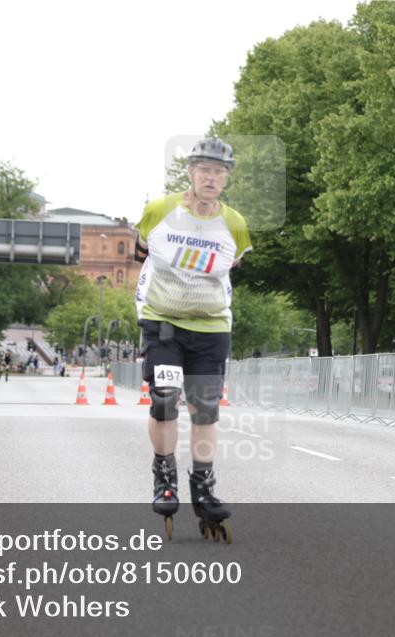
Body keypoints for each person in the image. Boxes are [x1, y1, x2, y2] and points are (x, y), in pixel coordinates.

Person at [133, 137, 251, 542]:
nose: (212, 178)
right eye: (205, 170)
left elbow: (233, 264)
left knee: (204, 410)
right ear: (191, 172)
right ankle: (164, 476)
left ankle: (203, 486)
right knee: (165, 395)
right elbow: (141, 250)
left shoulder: (234, 223)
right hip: (164, 321)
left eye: (219, 172)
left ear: (226, 179)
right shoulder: (159, 211)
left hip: (212, 328)